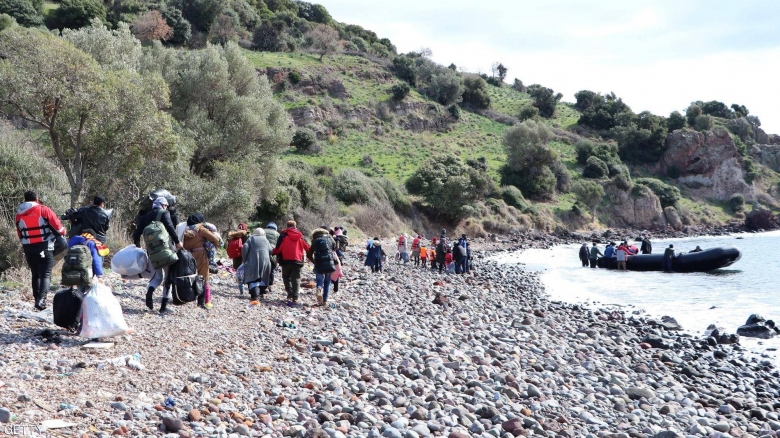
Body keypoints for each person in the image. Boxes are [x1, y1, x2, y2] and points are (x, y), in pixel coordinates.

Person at [16, 191, 67, 310]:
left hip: (28, 247)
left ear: (25, 199)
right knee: (46, 273)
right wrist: (63, 232)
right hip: (44, 246)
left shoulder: (19, 214)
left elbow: (20, 233)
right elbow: (59, 229)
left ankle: (36, 299)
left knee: (35, 274)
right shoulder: (44, 210)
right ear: (37, 199)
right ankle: (41, 300)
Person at [132, 197, 182, 313]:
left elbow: (136, 235)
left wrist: (138, 247)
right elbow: (170, 228)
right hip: (166, 251)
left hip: (152, 253)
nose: (166, 208)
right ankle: (163, 307)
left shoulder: (145, 217)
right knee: (168, 277)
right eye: (166, 205)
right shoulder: (164, 213)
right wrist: (177, 242)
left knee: (158, 276)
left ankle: (150, 291)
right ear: (163, 205)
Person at [182, 213, 221, 309]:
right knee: (203, 278)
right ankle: (201, 301)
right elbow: (215, 239)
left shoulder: (184, 230)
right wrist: (212, 248)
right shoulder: (201, 229)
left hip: (187, 256)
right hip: (201, 256)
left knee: (190, 277)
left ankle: (187, 296)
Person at [272, 220, 310, 306]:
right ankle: (295, 297)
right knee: (296, 278)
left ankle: (289, 292)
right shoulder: (301, 236)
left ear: (287, 226)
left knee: (286, 277)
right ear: (295, 226)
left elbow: (278, 249)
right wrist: (310, 257)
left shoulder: (283, 235)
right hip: (298, 260)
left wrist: (271, 252)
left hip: (285, 260)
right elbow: (308, 248)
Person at [242, 228, 273, 301]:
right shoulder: (266, 240)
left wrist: (245, 259)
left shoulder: (251, 239)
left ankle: (255, 295)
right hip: (265, 261)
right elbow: (271, 251)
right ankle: (261, 293)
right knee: (263, 277)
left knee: (253, 277)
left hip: (253, 260)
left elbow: (245, 248)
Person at [308, 227, 336, 305]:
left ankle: (319, 288)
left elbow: (309, 254)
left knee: (319, 279)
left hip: (319, 262)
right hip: (329, 262)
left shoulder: (315, 240)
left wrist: (315, 262)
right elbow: (335, 247)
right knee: (327, 281)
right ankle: (325, 300)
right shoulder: (329, 238)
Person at [227, 223, 249, 294]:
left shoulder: (233, 235)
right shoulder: (247, 236)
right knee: (248, 274)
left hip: (236, 258)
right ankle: (250, 288)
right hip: (245, 258)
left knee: (239, 274)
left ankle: (241, 290)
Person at [264, 222, 280, 289]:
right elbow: (279, 245)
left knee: (263, 269)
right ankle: (270, 284)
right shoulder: (277, 234)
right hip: (273, 252)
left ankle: (263, 284)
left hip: (263, 252)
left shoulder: (263, 231)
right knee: (272, 269)